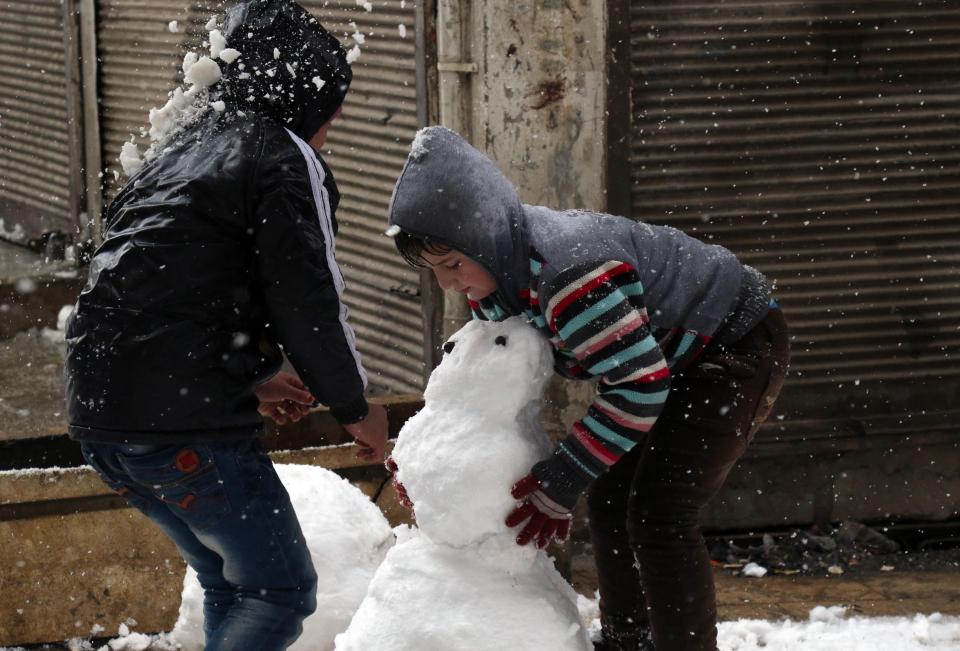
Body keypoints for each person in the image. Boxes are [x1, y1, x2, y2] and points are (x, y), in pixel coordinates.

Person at [386, 126, 790, 651]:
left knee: (659, 513)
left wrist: (561, 475)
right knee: (610, 498)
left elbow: (640, 388)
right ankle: (628, 640)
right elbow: (478, 380)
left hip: (730, 344)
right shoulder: (496, 279)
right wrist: (425, 451)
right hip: (658, 358)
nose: (448, 284)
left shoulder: (568, 274)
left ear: (485, 237)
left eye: (454, 265)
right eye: (435, 271)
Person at [64, 2, 387, 649]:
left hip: (100, 415)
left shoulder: (184, 145)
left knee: (232, 584)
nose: (340, 117)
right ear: (306, 95)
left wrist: (257, 371)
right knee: (280, 589)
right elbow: (311, 298)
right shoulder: (282, 154)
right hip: (181, 426)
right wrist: (356, 406)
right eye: (333, 100)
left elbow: (158, 287)